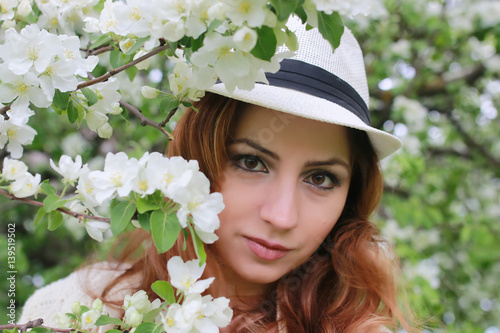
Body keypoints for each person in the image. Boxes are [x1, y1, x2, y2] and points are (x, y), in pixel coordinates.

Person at [20, 17, 415, 332]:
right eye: (251, 162)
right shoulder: (71, 312)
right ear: (196, 155)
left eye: (321, 179)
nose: (282, 216)